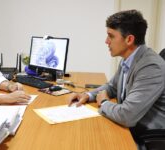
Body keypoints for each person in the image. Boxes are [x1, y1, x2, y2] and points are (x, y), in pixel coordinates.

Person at [68, 9, 165, 142]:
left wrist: (103, 102)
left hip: (146, 135)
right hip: (130, 126)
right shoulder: (128, 58)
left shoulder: (150, 67)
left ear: (129, 39)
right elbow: (112, 87)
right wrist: (88, 95)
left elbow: (127, 116)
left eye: (111, 36)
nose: (106, 41)